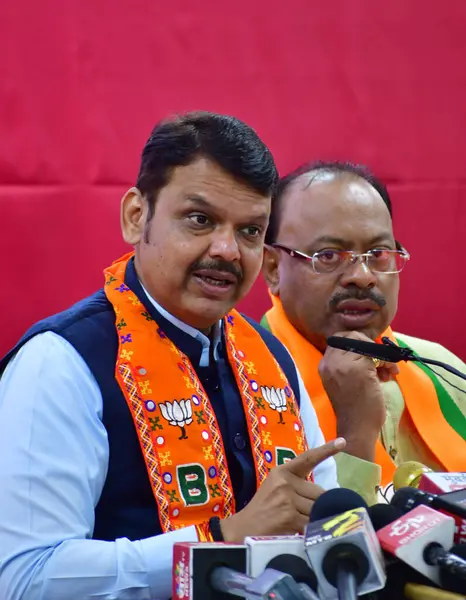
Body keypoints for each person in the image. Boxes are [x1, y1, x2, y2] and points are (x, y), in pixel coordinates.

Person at [0, 113, 342, 600]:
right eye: (200, 220)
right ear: (136, 216)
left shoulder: (271, 358)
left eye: (249, 231)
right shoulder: (62, 362)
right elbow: (25, 578)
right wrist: (219, 542)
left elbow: (320, 523)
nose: (226, 250)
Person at [261, 160, 466, 505]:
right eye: (328, 256)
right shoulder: (248, 383)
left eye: (378, 254)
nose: (362, 276)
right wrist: (355, 435)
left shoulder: (441, 367)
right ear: (272, 268)